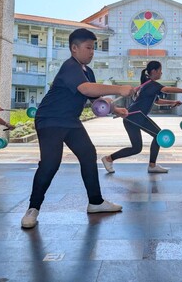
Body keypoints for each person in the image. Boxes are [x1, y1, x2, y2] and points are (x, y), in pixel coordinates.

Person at [21, 28, 136, 229]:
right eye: (88, 47)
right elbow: (86, 89)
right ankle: (33, 209)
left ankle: (96, 202)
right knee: (50, 164)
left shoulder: (87, 71)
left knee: (88, 154)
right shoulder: (70, 67)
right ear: (74, 48)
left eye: (94, 48)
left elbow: (94, 99)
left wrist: (116, 109)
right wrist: (118, 88)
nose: (92, 52)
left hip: (70, 121)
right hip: (50, 120)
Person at [101, 60, 182, 174]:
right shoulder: (151, 84)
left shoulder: (148, 85)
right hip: (136, 116)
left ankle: (108, 159)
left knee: (136, 148)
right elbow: (166, 89)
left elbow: (157, 101)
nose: (161, 73)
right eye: (160, 70)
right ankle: (152, 165)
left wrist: (172, 102)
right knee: (158, 135)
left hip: (131, 118)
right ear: (154, 71)